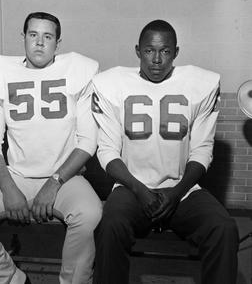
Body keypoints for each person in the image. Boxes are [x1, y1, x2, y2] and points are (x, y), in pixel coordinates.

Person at [0, 12, 102, 284]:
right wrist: (9, 189)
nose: (40, 43)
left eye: (48, 36)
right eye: (33, 35)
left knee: (89, 212)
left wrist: (54, 182)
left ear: (58, 42)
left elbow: (87, 142)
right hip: (17, 177)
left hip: (65, 178)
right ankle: (10, 278)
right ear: (23, 38)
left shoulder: (78, 71)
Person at [91, 19, 239, 284]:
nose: (156, 59)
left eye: (165, 51)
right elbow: (107, 151)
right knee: (110, 225)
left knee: (224, 228)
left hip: (182, 190)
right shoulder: (111, 84)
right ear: (137, 51)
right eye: (149, 51)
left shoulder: (200, 83)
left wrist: (177, 192)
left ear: (176, 53)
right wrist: (139, 190)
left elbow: (202, 150)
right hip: (131, 188)